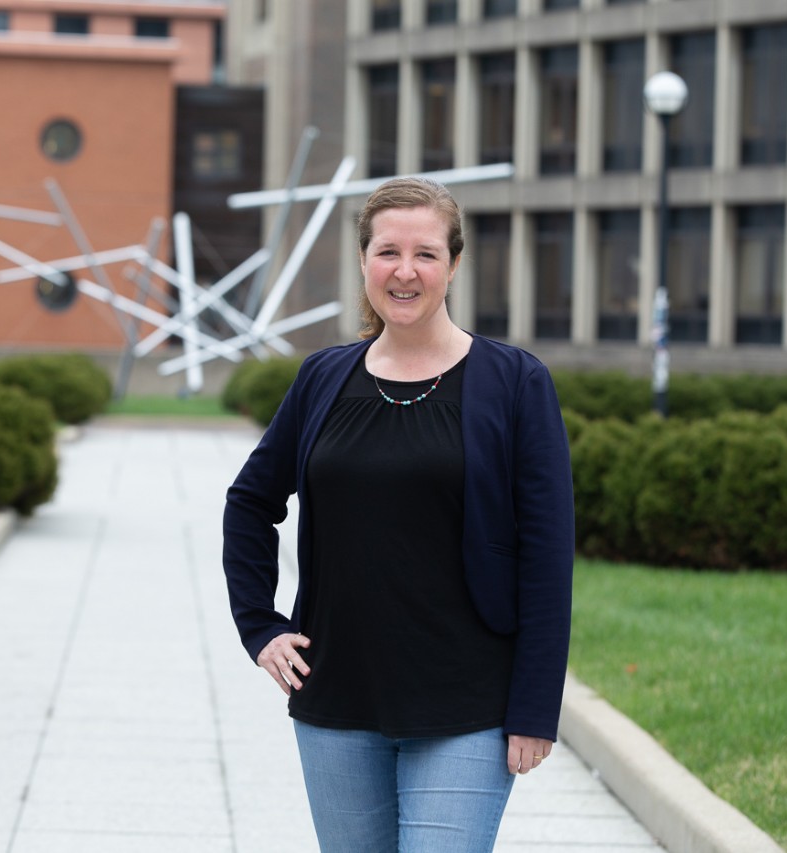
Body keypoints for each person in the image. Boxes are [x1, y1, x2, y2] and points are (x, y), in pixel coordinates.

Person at [222, 176, 574, 852]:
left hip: (468, 703)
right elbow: (250, 502)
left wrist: (535, 708)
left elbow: (547, 554)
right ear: (363, 262)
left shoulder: (514, 382)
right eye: (388, 251)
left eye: (426, 254)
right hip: (338, 696)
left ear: (454, 265)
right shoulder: (324, 378)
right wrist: (259, 625)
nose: (405, 271)